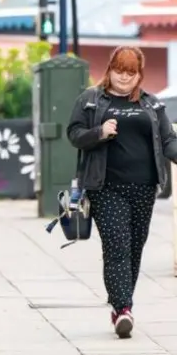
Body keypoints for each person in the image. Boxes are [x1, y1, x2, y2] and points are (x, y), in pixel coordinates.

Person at [67, 46, 177, 339]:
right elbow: (74, 134)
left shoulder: (152, 105)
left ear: (139, 74)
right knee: (117, 246)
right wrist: (99, 133)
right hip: (105, 187)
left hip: (144, 188)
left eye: (131, 73)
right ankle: (123, 307)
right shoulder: (90, 100)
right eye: (119, 71)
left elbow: (168, 141)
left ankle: (120, 306)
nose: (124, 78)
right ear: (109, 69)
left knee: (134, 249)